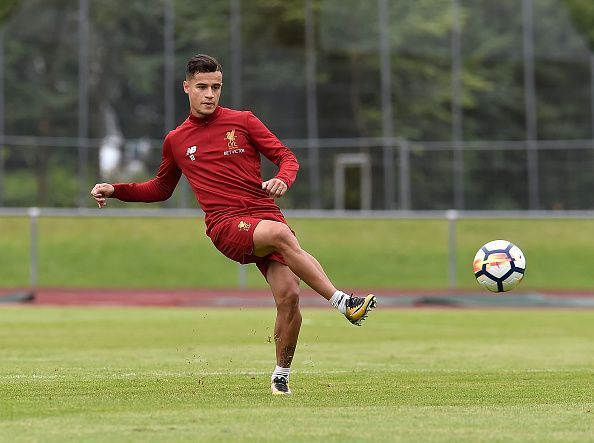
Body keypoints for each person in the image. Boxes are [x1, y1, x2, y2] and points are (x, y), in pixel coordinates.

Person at [90, 54, 376, 396]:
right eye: (202, 87)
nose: (210, 94)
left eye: (216, 87)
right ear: (187, 88)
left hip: (264, 213)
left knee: (290, 297)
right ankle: (343, 302)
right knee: (282, 235)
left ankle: (280, 377)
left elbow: (286, 157)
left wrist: (283, 179)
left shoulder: (243, 121)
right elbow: (161, 188)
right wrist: (117, 189)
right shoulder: (176, 140)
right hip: (226, 225)